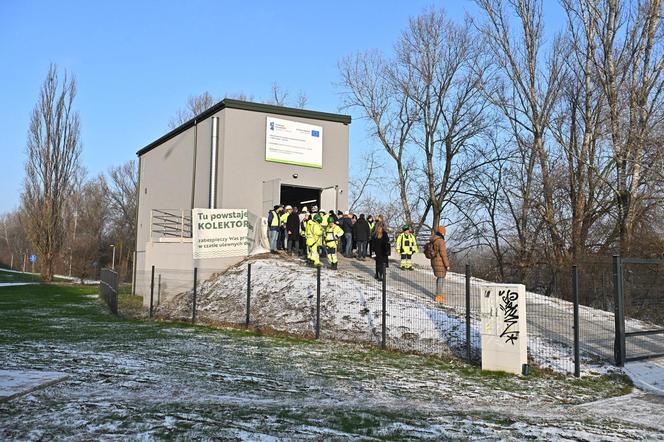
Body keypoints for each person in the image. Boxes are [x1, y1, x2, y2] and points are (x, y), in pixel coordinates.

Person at [430, 225, 450, 301]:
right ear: (442, 232)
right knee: (441, 278)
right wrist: (447, 264)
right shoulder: (440, 241)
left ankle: (438, 294)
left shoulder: (434, 238)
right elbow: (443, 254)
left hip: (435, 260)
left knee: (439, 277)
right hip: (440, 262)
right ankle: (439, 296)